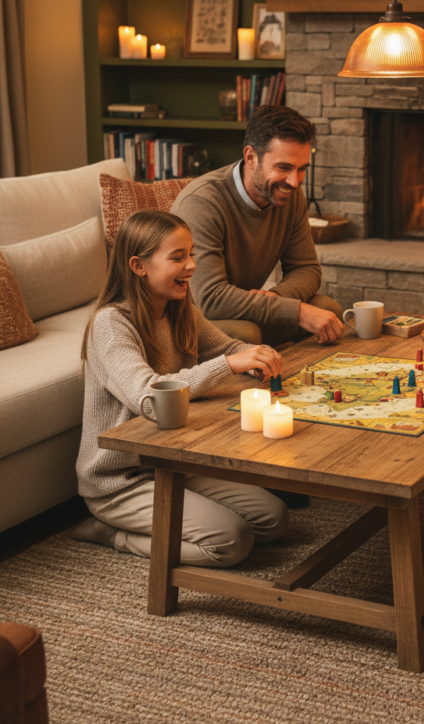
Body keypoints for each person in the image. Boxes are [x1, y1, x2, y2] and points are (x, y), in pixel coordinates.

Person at [71, 210, 290, 567]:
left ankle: (176, 520)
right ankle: (114, 534)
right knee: (231, 542)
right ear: (138, 266)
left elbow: (228, 349)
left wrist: (256, 361)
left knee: (273, 519)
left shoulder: (179, 309)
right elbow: (150, 396)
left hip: (173, 464)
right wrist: (229, 364)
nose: (191, 265)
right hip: (122, 480)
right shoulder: (111, 324)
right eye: (177, 257)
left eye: (191, 254)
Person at [171, 105, 345, 348]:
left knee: (328, 310)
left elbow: (306, 268)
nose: (294, 182)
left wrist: (277, 297)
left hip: (239, 311)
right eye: (283, 167)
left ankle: (297, 377)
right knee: (248, 333)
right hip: (188, 319)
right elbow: (210, 299)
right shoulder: (202, 202)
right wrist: (297, 312)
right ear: (251, 157)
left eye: (302, 169)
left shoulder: (289, 194)